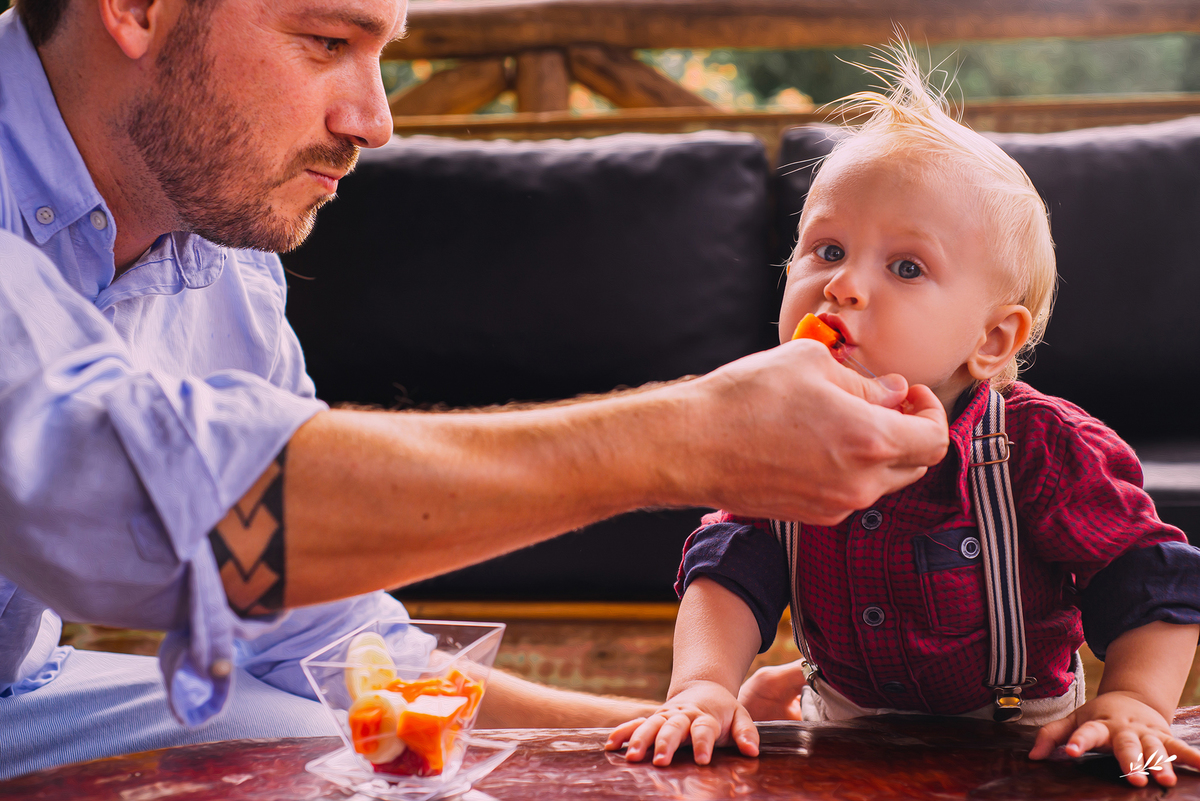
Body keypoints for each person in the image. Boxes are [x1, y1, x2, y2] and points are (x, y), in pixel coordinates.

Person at [0, 0, 950, 779]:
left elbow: (310, 630)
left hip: (32, 693)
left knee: (366, 764)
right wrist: (689, 436)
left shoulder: (215, 256)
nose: (374, 121)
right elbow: (103, 495)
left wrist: (683, 734)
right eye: (327, 43)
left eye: (380, 56)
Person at [606, 48, 1200, 788]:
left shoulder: (1042, 448)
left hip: (1023, 743)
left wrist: (1136, 698)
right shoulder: (776, 438)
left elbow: (1144, 575)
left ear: (990, 340)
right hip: (843, 734)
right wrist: (704, 685)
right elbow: (729, 569)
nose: (843, 286)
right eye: (827, 250)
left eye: (907, 267)